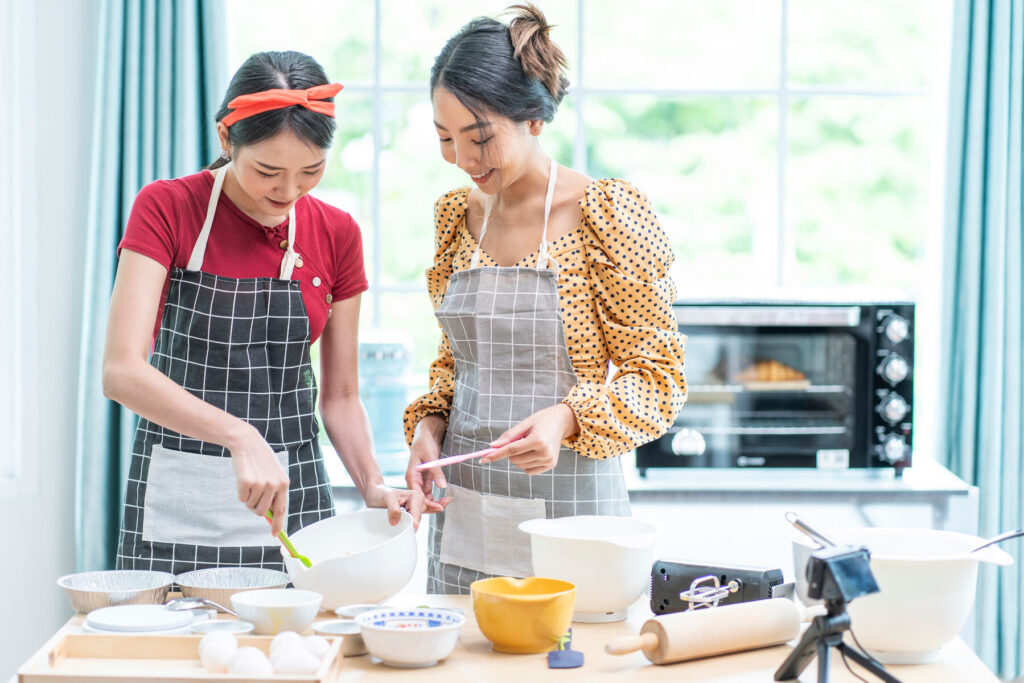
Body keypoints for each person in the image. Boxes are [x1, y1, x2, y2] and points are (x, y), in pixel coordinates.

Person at [103, 51, 434, 574]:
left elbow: (342, 395)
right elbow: (121, 372)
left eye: (311, 171)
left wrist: (372, 482)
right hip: (177, 503)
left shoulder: (337, 233)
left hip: (294, 501)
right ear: (225, 141)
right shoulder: (167, 207)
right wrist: (240, 435)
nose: (288, 191)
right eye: (267, 171)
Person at [404, 5, 687, 593]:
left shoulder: (605, 215)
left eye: (480, 137)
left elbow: (659, 378)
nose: (462, 159)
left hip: (575, 522)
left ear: (533, 118)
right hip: (466, 522)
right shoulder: (458, 218)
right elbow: (456, 364)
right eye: (445, 138)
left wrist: (567, 417)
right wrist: (429, 428)